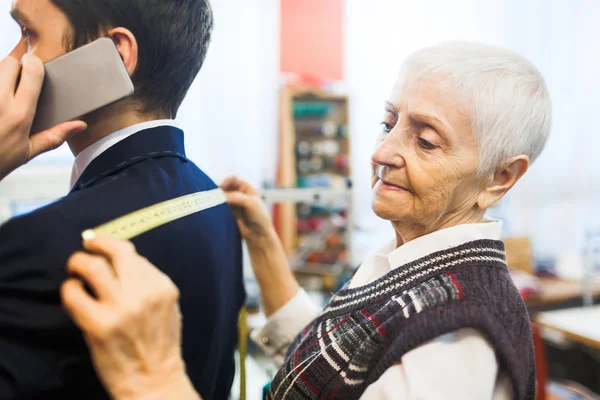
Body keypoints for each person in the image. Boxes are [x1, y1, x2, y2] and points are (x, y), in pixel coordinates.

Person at [62, 41, 551, 400]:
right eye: (389, 123)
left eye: (425, 141)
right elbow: (333, 365)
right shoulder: (409, 260)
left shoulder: (459, 335)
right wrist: (264, 246)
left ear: (500, 177)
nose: (382, 151)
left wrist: (154, 374)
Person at [0, 1, 245, 399]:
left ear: (115, 54)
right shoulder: (213, 201)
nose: (11, 61)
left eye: (28, 35)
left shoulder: (45, 243)